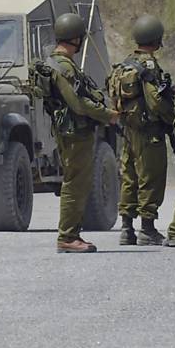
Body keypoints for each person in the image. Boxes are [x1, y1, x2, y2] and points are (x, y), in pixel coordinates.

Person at [49, 13, 120, 254]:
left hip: (69, 131)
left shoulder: (54, 62)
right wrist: (107, 114)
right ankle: (68, 236)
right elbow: (78, 104)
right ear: (75, 39)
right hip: (74, 133)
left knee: (77, 181)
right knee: (75, 183)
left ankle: (72, 234)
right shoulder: (64, 67)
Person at [107, 15, 175, 246]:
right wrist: (172, 117)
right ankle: (147, 227)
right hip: (149, 132)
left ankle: (127, 229)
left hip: (128, 130)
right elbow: (155, 102)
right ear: (156, 39)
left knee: (129, 177)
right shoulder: (149, 66)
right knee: (151, 177)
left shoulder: (124, 64)